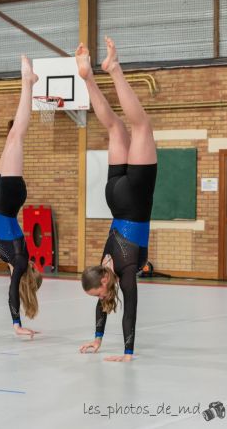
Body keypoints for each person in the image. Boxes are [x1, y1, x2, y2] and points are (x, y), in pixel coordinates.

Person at [75, 37, 157, 362]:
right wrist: (96, 340)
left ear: (105, 278)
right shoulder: (104, 261)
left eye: (101, 289)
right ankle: (89, 78)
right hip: (113, 197)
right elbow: (104, 304)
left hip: (135, 199)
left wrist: (128, 352)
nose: (103, 295)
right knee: (115, 128)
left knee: (141, 126)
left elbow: (131, 309)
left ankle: (114, 68)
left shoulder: (123, 270)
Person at [0, 55, 43, 337]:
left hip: (4, 198)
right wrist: (16, 325)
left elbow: (13, 290)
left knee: (13, 136)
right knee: (17, 135)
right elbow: (12, 294)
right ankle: (28, 83)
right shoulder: (20, 261)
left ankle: (28, 83)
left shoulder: (14, 262)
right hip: (9, 200)